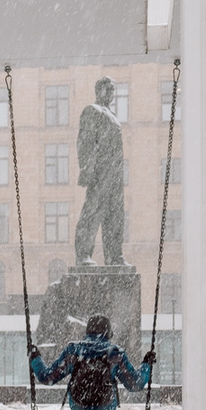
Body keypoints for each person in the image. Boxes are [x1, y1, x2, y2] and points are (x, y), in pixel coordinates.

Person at [29, 314, 155, 410]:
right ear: (109, 332)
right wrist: (146, 364)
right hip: (105, 405)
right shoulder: (115, 353)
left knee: (84, 409)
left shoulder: (73, 350)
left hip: (80, 404)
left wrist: (35, 357)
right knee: (106, 409)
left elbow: (47, 377)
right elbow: (135, 384)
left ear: (88, 330)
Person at [75, 76, 129, 267]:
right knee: (92, 212)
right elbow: (85, 141)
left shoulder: (113, 116)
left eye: (113, 90)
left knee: (115, 215)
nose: (111, 94)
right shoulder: (92, 110)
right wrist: (87, 168)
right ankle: (83, 254)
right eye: (108, 89)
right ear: (98, 91)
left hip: (114, 174)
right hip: (100, 172)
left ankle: (114, 255)